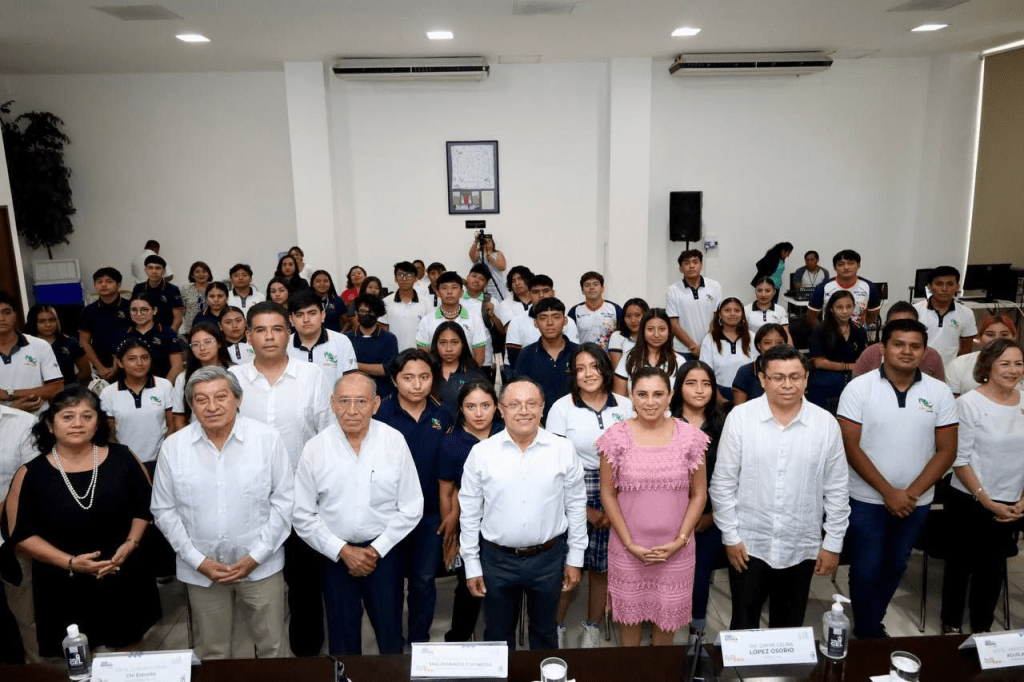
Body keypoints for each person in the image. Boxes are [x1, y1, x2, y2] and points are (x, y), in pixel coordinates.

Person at [4, 388, 160, 656]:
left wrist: (131, 543)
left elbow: (144, 508)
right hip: (63, 582)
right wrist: (71, 562)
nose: (78, 423)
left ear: (98, 422)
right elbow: (19, 533)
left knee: (129, 653)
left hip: (122, 572)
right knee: (75, 661)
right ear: (51, 424)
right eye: (68, 417)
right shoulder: (31, 473)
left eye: (87, 416)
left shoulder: (123, 457)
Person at [151, 367, 293, 660]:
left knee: (273, 648)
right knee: (213, 652)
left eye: (221, 396)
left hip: (261, 566)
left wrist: (257, 556)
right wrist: (197, 561)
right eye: (201, 400)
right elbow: (163, 510)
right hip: (202, 570)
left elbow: (285, 502)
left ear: (238, 399)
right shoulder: (173, 447)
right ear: (191, 405)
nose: (212, 406)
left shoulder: (267, 439)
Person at [710, 344, 849, 630]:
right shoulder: (741, 418)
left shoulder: (825, 425)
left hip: (800, 545)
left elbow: (836, 489)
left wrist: (833, 543)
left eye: (795, 376)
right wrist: (730, 535)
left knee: (788, 627)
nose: (788, 384)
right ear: (762, 379)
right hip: (748, 543)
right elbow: (722, 483)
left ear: (806, 378)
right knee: (744, 624)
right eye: (778, 377)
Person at [837, 318, 958, 639]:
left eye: (915, 346)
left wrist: (911, 493)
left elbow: (946, 452)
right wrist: (888, 492)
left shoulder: (940, 392)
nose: (907, 351)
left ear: (924, 350)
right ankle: (868, 630)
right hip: (865, 500)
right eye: (899, 344)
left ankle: (870, 625)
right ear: (883, 348)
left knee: (896, 565)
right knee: (865, 569)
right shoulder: (858, 388)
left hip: (916, 503)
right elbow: (850, 447)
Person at [293, 372, 423, 656]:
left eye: (361, 401)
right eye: (344, 401)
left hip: (384, 556)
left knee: (390, 636)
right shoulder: (315, 448)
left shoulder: (394, 441)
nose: (351, 410)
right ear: (332, 403)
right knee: (342, 639)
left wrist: (375, 550)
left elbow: (412, 506)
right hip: (336, 556)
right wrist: (343, 550)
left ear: (376, 404)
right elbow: (303, 514)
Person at [229, 301, 332, 657]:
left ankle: (306, 655)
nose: (269, 337)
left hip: (302, 495)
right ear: (247, 337)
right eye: (260, 330)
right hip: (251, 499)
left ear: (288, 333)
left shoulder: (312, 375)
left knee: (305, 582)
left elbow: (326, 436)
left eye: (276, 329)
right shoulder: (234, 379)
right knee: (258, 579)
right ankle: (267, 656)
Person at [460, 377, 587, 650]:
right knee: (497, 636)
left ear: (543, 408)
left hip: (548, 559)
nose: (524, 410)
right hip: (497, 561)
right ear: (501, 410)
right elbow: (469, 515)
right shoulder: (481, 453)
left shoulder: (563, 449)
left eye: (532, 404)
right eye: (514, 404)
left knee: (545, 634)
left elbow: (576, 506)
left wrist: (575, 558)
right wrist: (471, 564)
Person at [596, 367, 707, 645]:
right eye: (642, 394)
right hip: (628, 548)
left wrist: (680, 541)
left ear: (670, 396)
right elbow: (607, 494)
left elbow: (699, 494)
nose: (650, 401)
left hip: (676, 550)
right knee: (629, 626)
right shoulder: (615, 437)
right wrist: (629, 544)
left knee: (666, 628)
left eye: (658, 394)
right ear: (631, 396)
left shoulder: (691, 437)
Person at [547, 344, 633, 648]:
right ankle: (554, 626)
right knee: (569, 566)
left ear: (605, 369)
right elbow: (554, 465)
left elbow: (635, 455)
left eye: (594, 366)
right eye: (580, 368)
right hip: (571, 489)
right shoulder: (561, 407)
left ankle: (592, 627)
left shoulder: (624, 404)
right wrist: (586, 510)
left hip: (619, 489)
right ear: (573, 373)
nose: (588, 374)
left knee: (602, 566)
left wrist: (615, 504)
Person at [941, 339, 1024, 634]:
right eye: (1005, 363)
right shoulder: (969, 404)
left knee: (992, 574)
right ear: (987, 366)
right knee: (960, 569)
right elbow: (959, 460)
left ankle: (982, 632)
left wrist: (1021, 501)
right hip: (970, 499)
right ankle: (951, 626)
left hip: (1012, 501)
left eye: (1018, 363)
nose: (1013, 370)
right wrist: (987, 501)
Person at [374, 349, 453, 645]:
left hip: (430, 513)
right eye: (408, 378)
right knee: (390, 583)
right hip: (388, 514)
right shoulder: (380, 413)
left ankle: (419, 641)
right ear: (395, 380)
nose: (417, 384)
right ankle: (392, 642)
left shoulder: (442, 414)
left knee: (422, 581)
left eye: (424, 377)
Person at [437, 379, 504, 643]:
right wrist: (451, 532)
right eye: (471, 406)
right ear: (461, 408)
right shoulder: (452, 442)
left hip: (502, 525)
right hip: (468, 526)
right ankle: (458, 640)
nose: (478, 413)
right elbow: (446, 490)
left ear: (496, 406)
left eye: (485, 405)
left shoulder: (507, 433)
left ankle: (496, 644)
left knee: (498, 590)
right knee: (467, 588)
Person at [669, 361, 725, 642]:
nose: (700, 390)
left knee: (700, 577)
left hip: (708, 517)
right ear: (679, 387)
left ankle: (697, 632)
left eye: (706, 383)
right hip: (668, 516)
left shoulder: (725, 424)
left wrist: (712, 515)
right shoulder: (665, 421)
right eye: (691, 383)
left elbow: (732, 475)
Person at [0, 404, 43, 664]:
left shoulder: (23, 424)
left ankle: (41, 671)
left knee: (29, 617)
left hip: (14, 538)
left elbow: (34, 482)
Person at [99, 339, 175, 465]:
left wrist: (164, 453)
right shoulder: (109, 393)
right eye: (132, 359)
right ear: (120, 362)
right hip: (125, 462)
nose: (139, 363)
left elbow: (172, 424)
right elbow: (109, 433)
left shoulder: (164, 386)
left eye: (144, 357)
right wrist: (121, 458)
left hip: (161, 460)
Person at [513, 297, 578, 423]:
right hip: (537, 424)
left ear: (565, 321)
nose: (550, 323)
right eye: (543, 318)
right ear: (536, 323)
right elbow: (519, 392)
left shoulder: (579, 353)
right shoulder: (526, 354)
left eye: (556, 317)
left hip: (575, 421)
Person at [0, 291, 63, 415]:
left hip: (36, 423)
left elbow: (56, 388)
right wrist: (12, 408)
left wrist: (10, 394)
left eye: (6, 312)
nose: (1, 318)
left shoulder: (39, 346)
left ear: (15, 315)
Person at [807, 289, 867, 412]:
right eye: (839, 307)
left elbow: (862, 358)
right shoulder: (820, 329)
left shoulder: (859, 331)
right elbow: (818, 362)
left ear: (854, 307)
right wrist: (847, 366)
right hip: (824, 380)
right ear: (831, 309)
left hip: (852, 380)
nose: (845, 311)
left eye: (849, 306)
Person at [504, 274, 580, 370]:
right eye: (535, 292)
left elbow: (574, 354)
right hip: (526, 371)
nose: (541, 295)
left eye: (545, 291)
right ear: (529, 295)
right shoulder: (516, 321)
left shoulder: (568, 321)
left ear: (553, 293)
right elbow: (514, 357)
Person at [853, 302, 946, 380]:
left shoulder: (933, 357)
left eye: (909, 325)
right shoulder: (870, 353)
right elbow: (856, 386)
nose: (902, 331)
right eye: (895, 325)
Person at [286, 289, 358, 387]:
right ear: (291, 320)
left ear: (322, 315)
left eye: (312, 313)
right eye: (299, 315)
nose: (306, 320)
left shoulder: (341, 342)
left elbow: (351, 381)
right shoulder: (284, 345)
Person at [416, 272, 487, 367]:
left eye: (454, 287)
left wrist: (468, 376)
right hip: (436, 377)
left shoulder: (474, 320)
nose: (449, 292)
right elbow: (422, 357)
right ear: (438, 292)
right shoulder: (427, 321)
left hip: (466, 376)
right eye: (444, 288)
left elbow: (480, 356)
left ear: (461, 292)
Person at [172, 322, 234, 429]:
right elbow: (179, 418)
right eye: (195, 344)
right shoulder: (182, 378)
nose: (202, 348)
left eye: (208, 342)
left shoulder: (235, 372)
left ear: (219, 343)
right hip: (197, 437)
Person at [913, 266, 977, 368]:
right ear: (929, 286)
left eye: (950, 284)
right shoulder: (915, 311)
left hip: (950, 371)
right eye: (939, 284)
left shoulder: (966, 313)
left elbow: (966, 351)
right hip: (918, 369)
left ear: (957, 286)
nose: (944, 289)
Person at [613, 308, 685, 395]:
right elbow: (619, 398)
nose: (656, 335)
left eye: (662, 329)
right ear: (642, 331)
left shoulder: (679, 361)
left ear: (669, 331)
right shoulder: (628, 358)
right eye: (650, 329)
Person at [699, 298, 756, 403]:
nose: (732, 314)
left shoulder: (752, 337)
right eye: (727, 310)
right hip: (718, 393)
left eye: (737, 310)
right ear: (720, 314)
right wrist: (718, 398)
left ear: (742, 314)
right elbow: (704, 372)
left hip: (748, 393)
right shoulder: (710, 339)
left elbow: (758, 369)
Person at [945, 315, 1020, 396]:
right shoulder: (959, 364)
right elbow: (953, 403)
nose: (997, 339)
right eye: (990, 334)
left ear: (1014, 337)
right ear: (979, 338)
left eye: (1004, 334)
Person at [667, 249, 722, 359]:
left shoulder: (714, 286)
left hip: (709, 347)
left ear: (701, 265)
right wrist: (693, 346)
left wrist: (704, 345)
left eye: (695, 262)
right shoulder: (673, 290)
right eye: (687, 263)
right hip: (682, 350)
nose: (691, 266)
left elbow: (717, 318)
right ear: (681, 268)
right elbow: (673, 324)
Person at [79, 267, 131, 381]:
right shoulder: (89, 311)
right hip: (101, 369)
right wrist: (100, 368)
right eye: (99, 282)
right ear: (94, 285)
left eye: (109, 281)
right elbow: (84, 342)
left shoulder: (131, 307)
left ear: (118, 285)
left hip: (130, 367)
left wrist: (120, 364)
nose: (103, 285)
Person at [806, 249, 881, 328]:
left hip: (858, 336)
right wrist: (823, 333)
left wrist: (856, 330)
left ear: (858, 265)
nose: (846, 267)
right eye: (841, 264)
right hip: (830, 336)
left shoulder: (869, 287)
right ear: (835, 267)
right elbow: (811, 317)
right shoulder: (823, 288)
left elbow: (873, 315)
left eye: (851, 263)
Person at [345, 294, 399, 400]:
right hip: (354, 394)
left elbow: (388, 369)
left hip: (383, 396)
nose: (367, 315)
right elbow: (343, 368)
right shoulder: (346, 338)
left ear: (378, 315)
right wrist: (373, 369)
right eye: (363, 311)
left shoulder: (389, 338)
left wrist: (354, 365)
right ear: (356, 313)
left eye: (371, 312)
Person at [25, 305, 89, 389]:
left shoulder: (70, 342)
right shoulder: (25, 344)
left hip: (68, 390)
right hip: (37, 391)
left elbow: (86, 372)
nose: (48, 325)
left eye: (52, 320)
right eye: (42, 321)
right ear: (33, 322)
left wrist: (68, 383)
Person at [124, 292, 183, 383]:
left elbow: (177, 366)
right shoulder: (125, 334)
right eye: (134, 310)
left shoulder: (167, 333)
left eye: (144, 310)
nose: (138, 314)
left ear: (154, 310)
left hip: (162, 384)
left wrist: (163, 388)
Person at [430, 321, 483, 419]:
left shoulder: (475, 376)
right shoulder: (426, 374)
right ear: (435, 344)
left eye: (455, 342)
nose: (449, 349)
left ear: (463, 344)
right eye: (443, 343)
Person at [731, 323, 787, 405]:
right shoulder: (745, 371)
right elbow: (739, 410)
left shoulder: (793, 369)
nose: (774, 347)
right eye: (767, 343)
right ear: (759, 346)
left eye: (779, 343)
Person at [461, 264, 500, 379]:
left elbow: (501, 331)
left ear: (486, 285)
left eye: (482, 279)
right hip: (458, 359)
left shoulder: (492, 301)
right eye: (474, 276)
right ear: (467, 278)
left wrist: (492, 315)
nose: (477, 280)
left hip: (485, 360)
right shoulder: (457, 300)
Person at [381, 261, 429, 351]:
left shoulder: (426, 303)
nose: (404, 279)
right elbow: (383, 332)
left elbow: (429, 331)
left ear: (415, 279)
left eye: (409, 275)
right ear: (395, 278)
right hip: (394, 354)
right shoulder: (386, 302)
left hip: (419, 354)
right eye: (400, 275)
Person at [568, 271, 623, 350]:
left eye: (595, 284)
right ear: (582, 290)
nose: (591, 288)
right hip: (584, 357)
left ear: (602, 289)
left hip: (609, 358)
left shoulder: (615, 309)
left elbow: (623, 334)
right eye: (587, 285)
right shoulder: (575, 311)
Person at [131, 255, 184, 332]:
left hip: (166, 334)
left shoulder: (173, 289)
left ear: (164, 271)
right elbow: (133, 314)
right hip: (142, 333)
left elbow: (178, 319)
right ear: (145, 270)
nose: (154, 271)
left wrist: (169, 336)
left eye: (158, 268)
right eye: (150, 268)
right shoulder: (138, 288)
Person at [607, 298, 649, 369]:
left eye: (637, 315)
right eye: (628, 316)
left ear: (646, 315)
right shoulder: (617, 336)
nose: (633, 320)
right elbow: (617, 369)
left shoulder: (652, 336)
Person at [746, 277, 791, 343]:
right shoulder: (746, 309)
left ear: (774, 292)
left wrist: (791, 351)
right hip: (752, 347)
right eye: (759, 291)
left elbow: (786, 334)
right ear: (755, 291)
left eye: (767, 291)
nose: (763, 294)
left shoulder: (780, 310)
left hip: (775, 348)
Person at [468, 233, 507, 302]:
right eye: (486, 241)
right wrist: (476, 241)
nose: (487, 242)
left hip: (496, 283)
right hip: (481, 283)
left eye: (490, 241)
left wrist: (492, 259)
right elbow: (472, 257)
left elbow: (502, 267)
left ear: (493, 243)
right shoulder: (478, 252)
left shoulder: (497, 253)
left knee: (497, 304)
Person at [495, 266, 533, 333]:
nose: (517, 283)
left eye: (520, 279)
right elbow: (510, 329)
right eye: (513, 281)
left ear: (528, 279)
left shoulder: (539, 301)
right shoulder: (506, 304)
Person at [179, 261, 213, 335]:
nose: (201, 274)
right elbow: (182, 311)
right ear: (192, 275)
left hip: (213, 328)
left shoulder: (214, 288)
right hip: (191, 330)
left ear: (209, 274)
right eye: (197, 272)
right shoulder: (185, 290)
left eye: (204, 271)